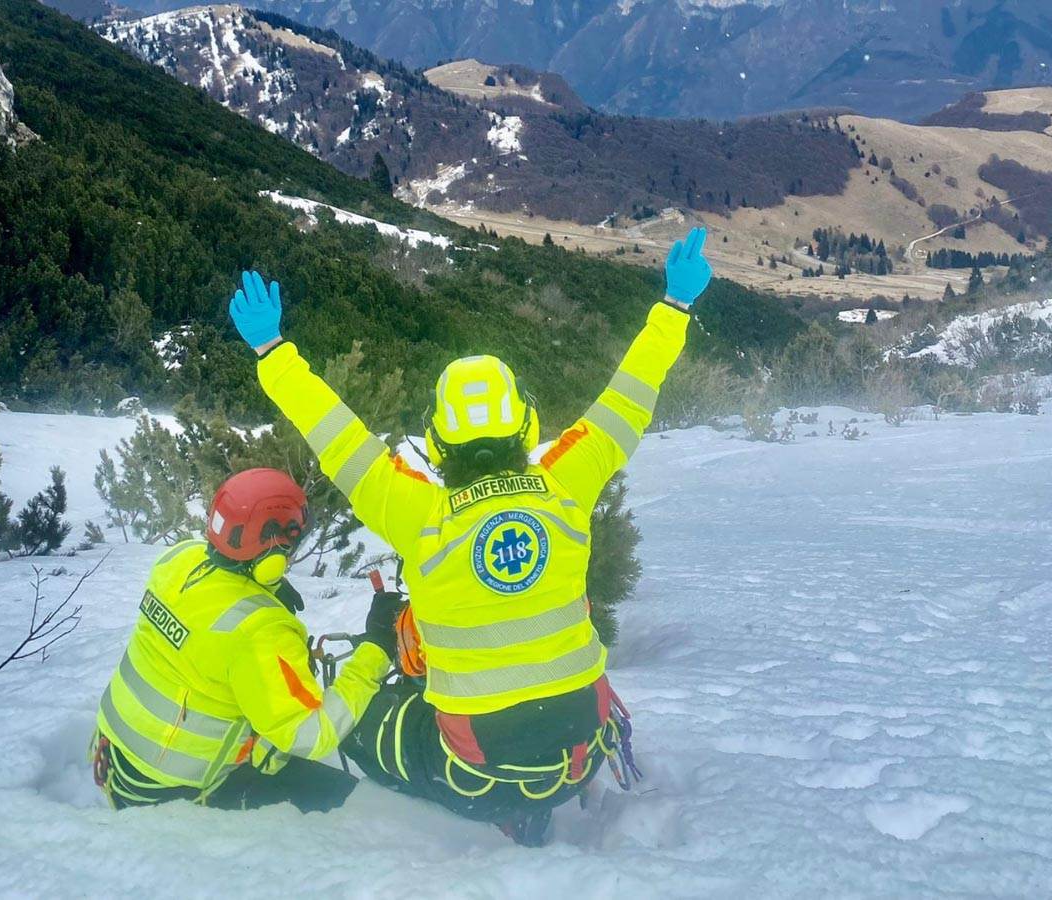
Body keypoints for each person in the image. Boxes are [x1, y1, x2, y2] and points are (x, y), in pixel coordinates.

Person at [228, 227, 714, 843]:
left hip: (475, 776)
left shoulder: (413, 509)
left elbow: (338, 437)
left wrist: (273, 349)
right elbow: (629, 397)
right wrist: (673, 307)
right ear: (527, 424)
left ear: (435, 443)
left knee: (361, 716)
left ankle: (501, 814)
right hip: (579, 755)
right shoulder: (570, 481)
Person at [90, 467, 403, 811]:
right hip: (161, 793)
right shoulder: (259, 631)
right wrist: (377, 648)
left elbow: (205, 627)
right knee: (351, 802)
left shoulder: (179, 559)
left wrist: (263, 585)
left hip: (111, 759)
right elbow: (311, 735)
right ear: (275, 549)